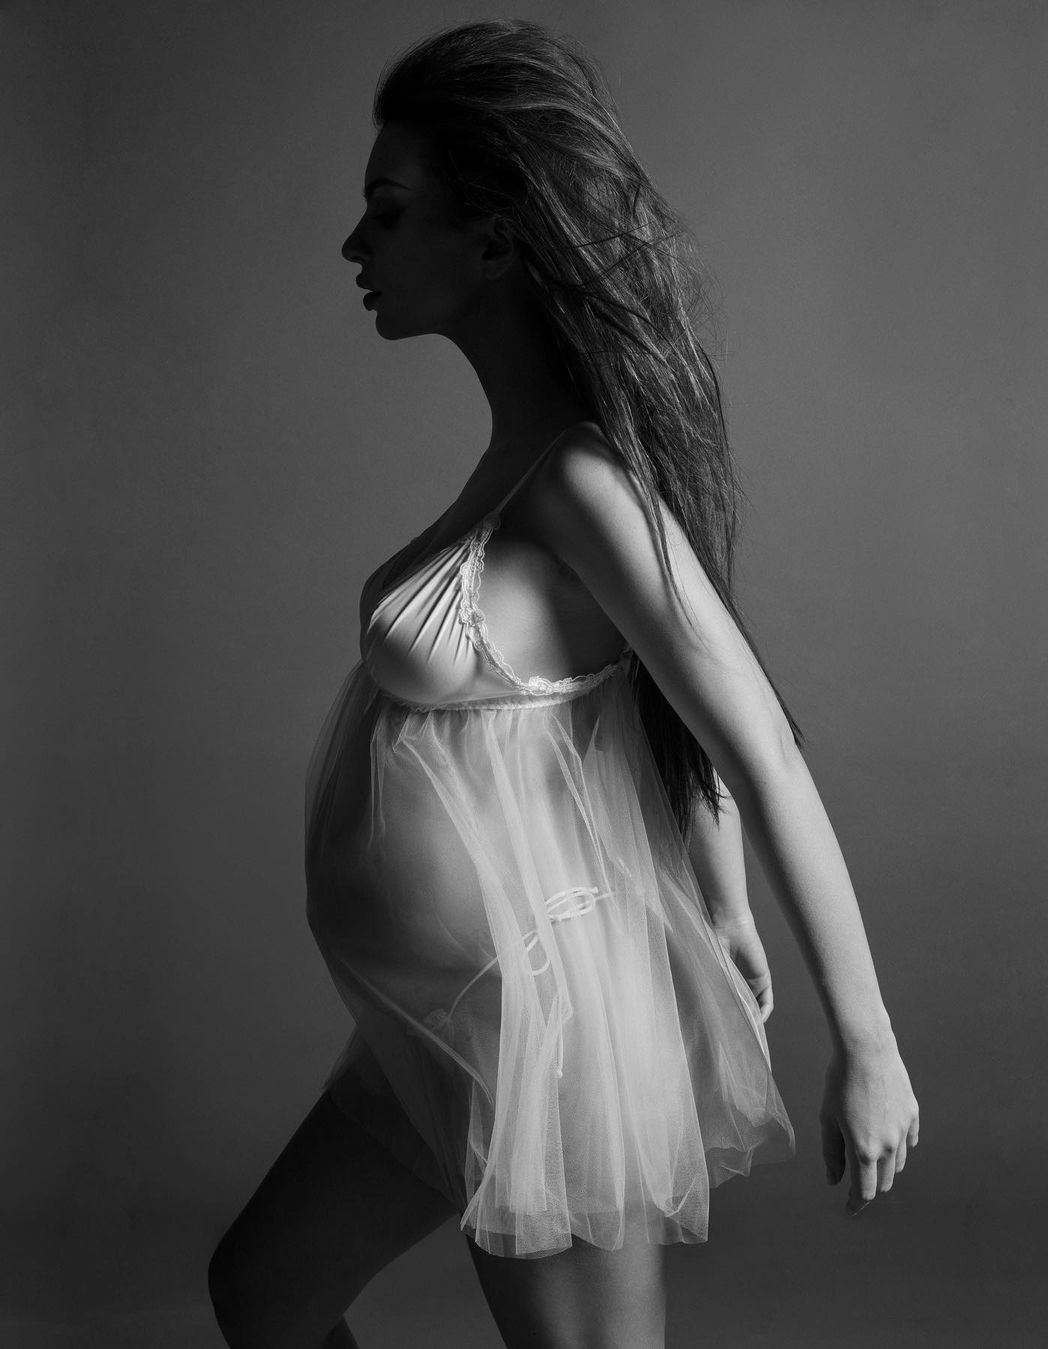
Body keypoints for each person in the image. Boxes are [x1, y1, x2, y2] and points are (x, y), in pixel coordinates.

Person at [208, 19, 919, 1349]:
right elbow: (624, 694)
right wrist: (720, 894)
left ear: (490, 239)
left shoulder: (581, 480)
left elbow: (757, 742)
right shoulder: (521, 463)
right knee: (261, 1291)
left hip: (546, 1035)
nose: (354, 246)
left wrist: (866, 1044)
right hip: (446, 1030)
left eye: (387, 209)